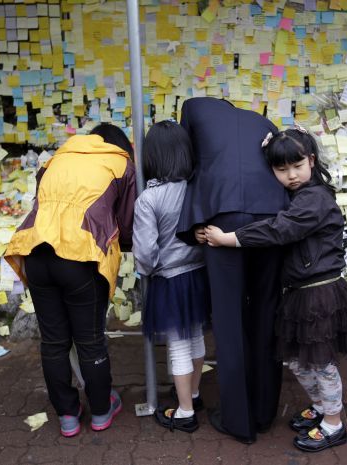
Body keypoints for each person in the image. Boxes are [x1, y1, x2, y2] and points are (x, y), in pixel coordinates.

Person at [204, 127, 347, 453]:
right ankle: (321, 407)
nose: (291, 176)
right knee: (299, 361)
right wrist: (269, 143)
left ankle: (334, 425)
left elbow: (281, 229)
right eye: (281, 169)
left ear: (312, 161)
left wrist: (229, 238)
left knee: (319, 362)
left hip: (318, 293)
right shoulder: (301, 194)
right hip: (300, 291)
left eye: (297, 166)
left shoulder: (315, 199)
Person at [5, 123, 136, 437]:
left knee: (54, 342)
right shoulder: (120, 162)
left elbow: (42, 203)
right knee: (90, 341)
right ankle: (102, 411)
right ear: (119, 144)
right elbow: (128, 222)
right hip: (79, 257)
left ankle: (67, 415)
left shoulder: (56, 159)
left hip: (35, 252)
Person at [176, 97, 288, 443]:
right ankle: (265, 412)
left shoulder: (192, 109)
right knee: (265, 315)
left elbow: (187, 167)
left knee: (229, 322)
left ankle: (239, 421)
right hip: (271, 217)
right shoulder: (263, 122)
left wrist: (192, 226)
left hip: (222, 218)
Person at [132, 120, 210, 433]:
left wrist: (147, 271)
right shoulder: (197, 189)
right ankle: (193, 393)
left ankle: (185, 412)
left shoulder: (149, 200)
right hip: (200, 275)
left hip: (171, 280)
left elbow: (146, 253)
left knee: (178, 345)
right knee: (197, 337)